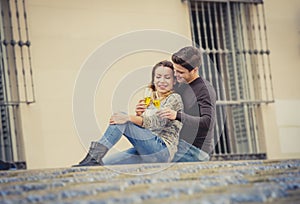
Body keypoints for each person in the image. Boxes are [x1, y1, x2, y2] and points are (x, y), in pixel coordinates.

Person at [73, 60, 183, 167]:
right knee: (105, 164)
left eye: (167, 77)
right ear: (153, 80)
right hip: (144, 151)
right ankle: (93, 160)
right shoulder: (151, 100)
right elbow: (146, 131)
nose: (162, 81)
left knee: (122, 118)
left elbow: (157, 122)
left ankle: (93, 157)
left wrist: (130, 118)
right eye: (158, 77)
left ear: (174, 81)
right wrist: (139, 114)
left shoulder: (174, 98)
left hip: (162, 150)